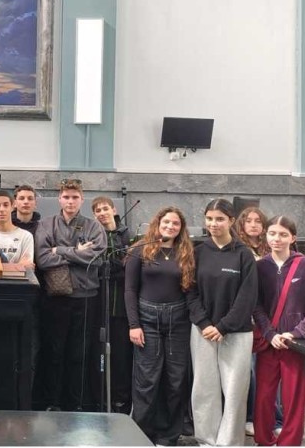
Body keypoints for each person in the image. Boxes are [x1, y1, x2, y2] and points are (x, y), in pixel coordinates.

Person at [187, 198, 258, 446]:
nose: (213, 224)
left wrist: (223, 327)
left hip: (236, 333)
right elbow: (190, 292)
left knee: (235, 390)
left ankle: (229, 442)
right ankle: (206, 439)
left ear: (231, 221)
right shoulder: (198, 252)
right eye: (209, 219)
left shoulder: (243, 254)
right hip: (203, 331)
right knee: (203, 388)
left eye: (219, 219)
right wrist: (204, 323)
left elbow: (247, 296)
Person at [34, 178, 107, 411]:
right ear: (59, 199)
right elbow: (43, 259)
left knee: (80, 354)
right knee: (54, 352)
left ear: (82, 199)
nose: (70, 201)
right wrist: (76, 252)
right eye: (66, 197)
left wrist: (60, 250)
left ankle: (76, 404)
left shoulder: (93, 227)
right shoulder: (46, 225)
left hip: (85, 298)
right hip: (55, 298)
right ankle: (52, 402)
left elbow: (97, 258)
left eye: (75, 197)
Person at [124, 206, 195, 446]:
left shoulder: (186, 252)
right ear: (158, 223)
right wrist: (134, 324)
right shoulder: (140, 250)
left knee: (176, 380)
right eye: (166, 222)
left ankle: (168, 435)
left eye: (175, 223)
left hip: (178, 321)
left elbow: (190, 289)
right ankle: (142, 434)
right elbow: (130, 290)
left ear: (181, 228)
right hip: (147, 320)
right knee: (147, 380)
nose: (170, 226)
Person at [253, 216, 305, 446]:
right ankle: (263, 440)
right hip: (269, 343)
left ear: (293, 238)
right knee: (263, 397)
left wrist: (295, 333)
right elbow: (256, 305)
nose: (277, 238)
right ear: (266, 235)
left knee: (294, 399)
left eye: (283, 234)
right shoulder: (260, 267)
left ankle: (289, 442)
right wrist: (270, 334)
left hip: (296, 345)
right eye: (272, 233)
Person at [234, 206, 277, 437]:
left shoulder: (270, 247)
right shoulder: (238, 249)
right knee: (249, 372)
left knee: (269, 372)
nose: (253, 225)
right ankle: (250, 417)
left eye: (258, 221)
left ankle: (272, 418)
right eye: (248, 220)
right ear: (241, 224)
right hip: (247, 318)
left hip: (270, 317)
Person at [91, 196, 132, 414]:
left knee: (121, 356)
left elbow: (130, 265)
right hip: (100, 303)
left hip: (122, 307)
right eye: (97, 210)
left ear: (114, 210)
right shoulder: (93, 234)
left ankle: (121, 400)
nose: (102, 213)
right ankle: (100, 398)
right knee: (99, 354)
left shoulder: (127, 235)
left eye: (105, 208)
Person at [0, 190, 34, 267]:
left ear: (12, 206)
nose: (1, 209)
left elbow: (26, 267)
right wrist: (17, 266)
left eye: (6, 205)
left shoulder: (26, 236)